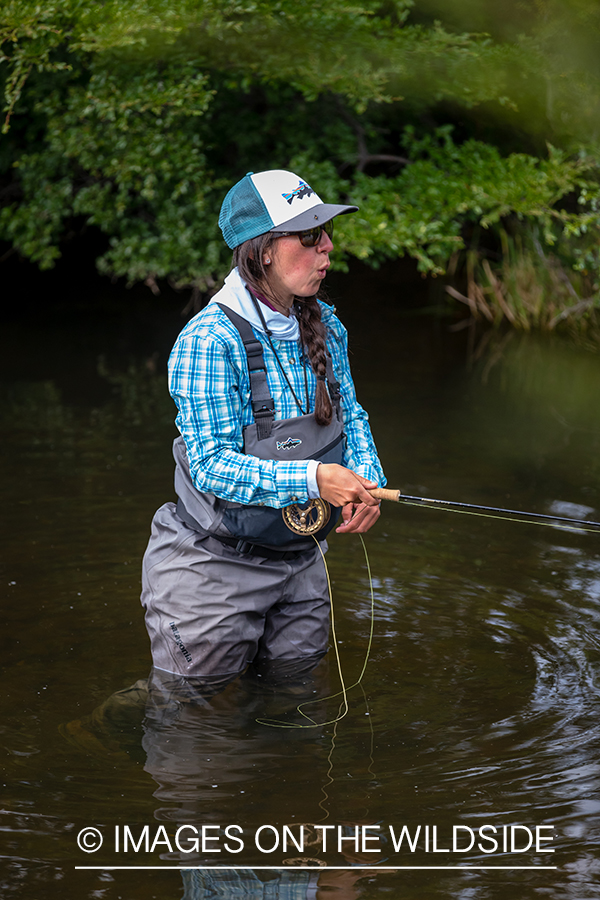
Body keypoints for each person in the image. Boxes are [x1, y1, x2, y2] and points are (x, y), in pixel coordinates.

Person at [140, 169, 385, 694]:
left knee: (295, 701)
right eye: (310, 236)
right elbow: (212, 467)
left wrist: (365, 479)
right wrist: (317, 478)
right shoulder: (209, 341)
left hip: (300, 559)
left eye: (326, 233)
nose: (328, 248)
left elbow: (352, 414)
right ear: (264, 251)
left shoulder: (327, 324)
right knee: (197, 720)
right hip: (211, 565)